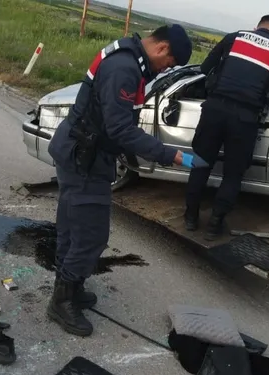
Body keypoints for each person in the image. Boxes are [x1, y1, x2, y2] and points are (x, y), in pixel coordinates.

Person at [46, 25, 196, 337]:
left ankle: (70, 287)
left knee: (73, 226)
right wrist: (171, 156)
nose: (165, 69)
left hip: (83, 152)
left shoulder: (128, 55)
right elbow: (120, 130)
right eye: (168, 63)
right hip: (84, 158)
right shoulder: (125, 69)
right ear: (162, 48)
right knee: (91, 234)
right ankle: (61, 301)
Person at [183, 15, 269, 240]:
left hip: (214, 111)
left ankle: (190, 218)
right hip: (245, 119)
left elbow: (205, 68)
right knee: (233, 175)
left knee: (200, 164)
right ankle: (214, 225)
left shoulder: (234, 38)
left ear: (256, 28)